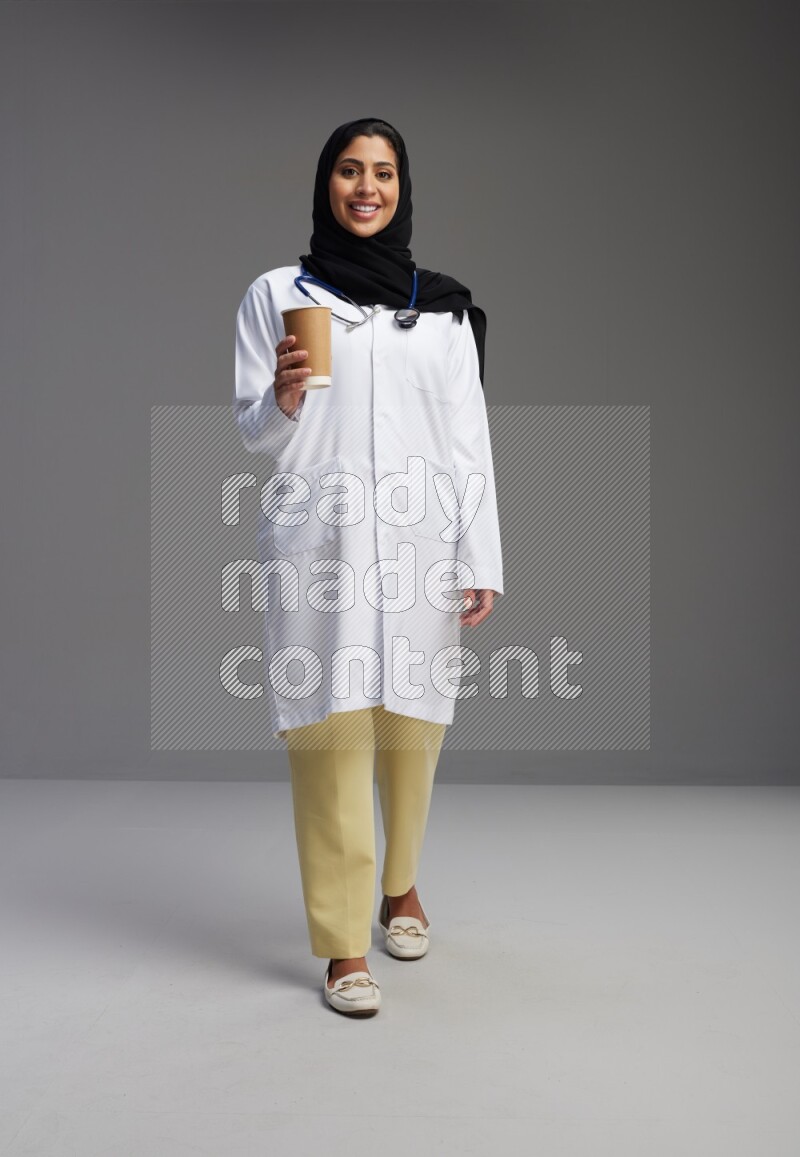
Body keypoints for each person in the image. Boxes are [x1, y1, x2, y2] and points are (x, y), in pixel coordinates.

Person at [233, 118, 504, 1016]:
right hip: (325, 549)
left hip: (421, 545)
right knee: (332, 734)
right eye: (349, 170)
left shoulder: (443, 309)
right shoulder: (278, 292)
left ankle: (401, 885)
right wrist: (279, 397)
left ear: (402, 187)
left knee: (411, 733)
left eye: (382, 172)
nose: (366, 187)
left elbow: (470, 443)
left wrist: (481, 555)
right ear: (326, 183)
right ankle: (346, 943)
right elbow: (255, 432)